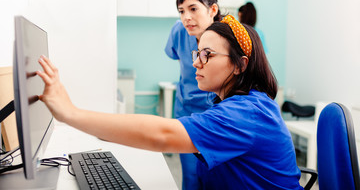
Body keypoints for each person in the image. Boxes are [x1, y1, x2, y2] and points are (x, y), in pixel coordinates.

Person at [37, 15, 303, 189]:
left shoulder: (246, 113)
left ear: (239, 65)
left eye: (207, 55)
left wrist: (70, 113)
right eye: (197, 52)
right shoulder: (236, 104)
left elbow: (162, 135)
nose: (196, 62)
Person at [165, 0, 221, 189]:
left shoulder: (227, 37)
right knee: (190, 177)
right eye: (181, 11)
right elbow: (174, 53)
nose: (186, 17)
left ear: (212, 9)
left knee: (215, 176)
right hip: (187, 112)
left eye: (193, 9)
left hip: (217, 115)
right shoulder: (179, 31)